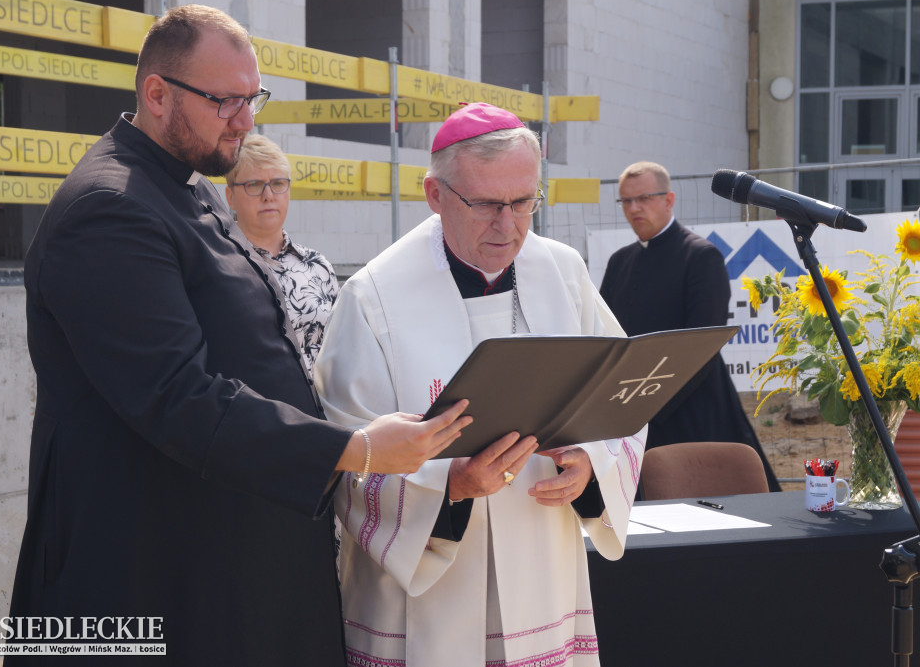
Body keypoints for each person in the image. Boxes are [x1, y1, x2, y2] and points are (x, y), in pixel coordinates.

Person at [6, 4, 471, 666]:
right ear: (157, 93)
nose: (245, 120)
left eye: (254, 99)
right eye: (226, 100)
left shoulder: (182, 188)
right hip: (155, 574)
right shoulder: (108, 209)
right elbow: (179, 398)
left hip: (227, 557)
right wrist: (356, 447)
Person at [313, 102, 645, 667]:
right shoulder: (375, 297)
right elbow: (344, 454)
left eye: (524, 202)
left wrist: (592, 463)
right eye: (488, 204)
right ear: (435, 195)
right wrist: (449, 488)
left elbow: (622, 397)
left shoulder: (564, 272)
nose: (509, 224)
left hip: (544, 568)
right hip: (428, 602)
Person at [599, 160, 780, 491]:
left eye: (644, 198)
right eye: (626, 201)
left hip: (694, 404)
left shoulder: (700, 256)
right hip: (634, 408)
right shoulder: (619, 262)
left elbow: (702, 344)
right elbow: (607, 337)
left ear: (668, 200)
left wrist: (651, 404)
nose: (634, 208)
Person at [224, 133, 338, 375]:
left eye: (277, 183)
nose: (268, 196)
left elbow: (344, 348)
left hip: (324, 410)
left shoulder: (318, 266)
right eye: (254, 185)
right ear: (230, 197)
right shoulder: (220, 266)